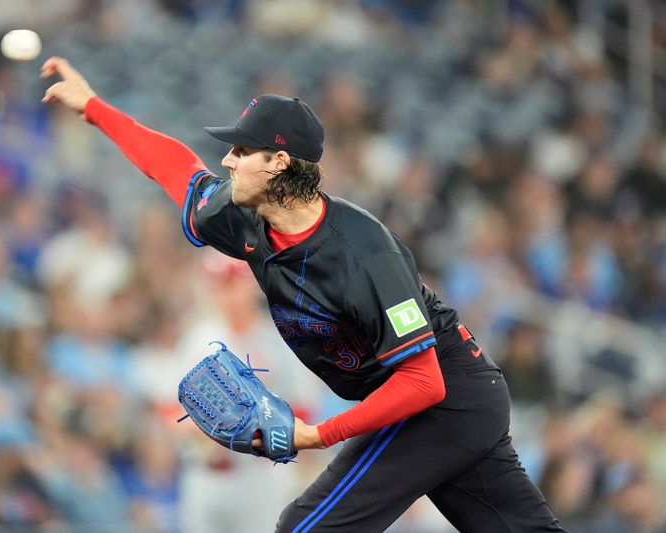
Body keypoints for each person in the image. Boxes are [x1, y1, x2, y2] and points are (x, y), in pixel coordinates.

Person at [41, 56, 566, 533]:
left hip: (446, 398)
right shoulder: (242, 216)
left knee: (305, 528)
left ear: (279, 164)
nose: (227, 161)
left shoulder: (364, 253)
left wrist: (317, 435)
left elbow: (424, 381)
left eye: (242, 150)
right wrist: (93, 107)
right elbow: (174, 168)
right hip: (433, 403)